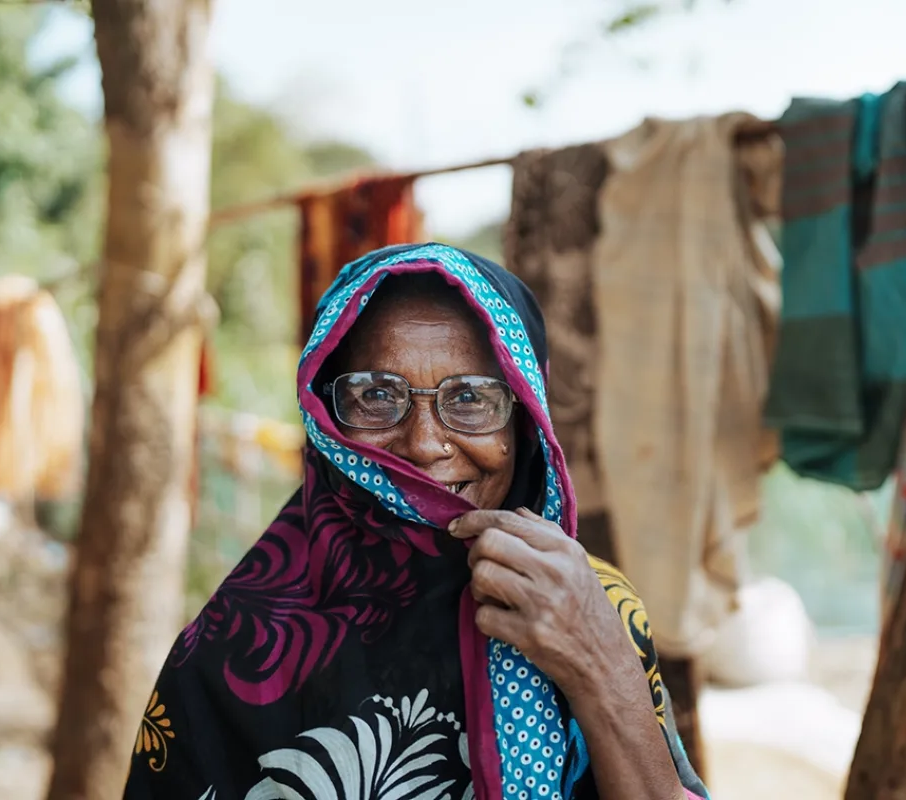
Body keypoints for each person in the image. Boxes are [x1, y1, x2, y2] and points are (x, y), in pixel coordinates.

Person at [124, 243, 709, 800]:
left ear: (524, 421)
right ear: (327, 417)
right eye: (377, 396)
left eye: (471, 398)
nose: (427, 445)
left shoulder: (593, 602)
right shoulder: (234, 648)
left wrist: (600, 666)